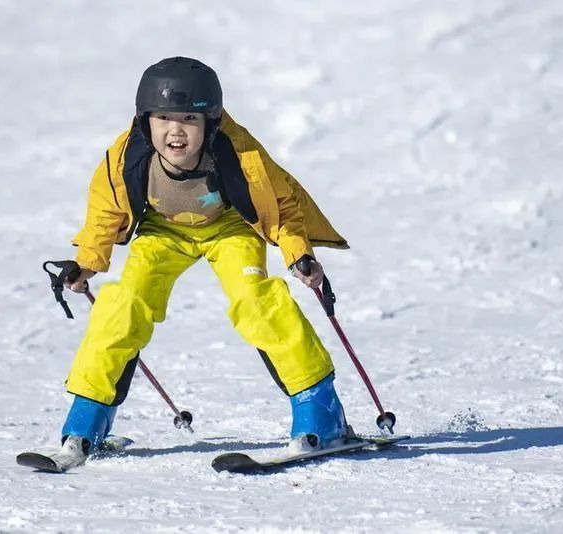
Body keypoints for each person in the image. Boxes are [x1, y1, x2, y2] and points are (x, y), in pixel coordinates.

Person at [55, 57, 351, 464]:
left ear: (210, 122)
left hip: (230, 227)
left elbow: (279, 205)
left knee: (257, 301)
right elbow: (106, 211)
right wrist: (88, 261)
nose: (175, 131)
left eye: (189, 119)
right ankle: (86, 422)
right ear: (145, 121)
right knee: (122, 305)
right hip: (164, 232)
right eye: (163, 118)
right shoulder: (126, 155)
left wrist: (298, 253)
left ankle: (322, 413)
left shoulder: (240, 149)